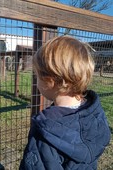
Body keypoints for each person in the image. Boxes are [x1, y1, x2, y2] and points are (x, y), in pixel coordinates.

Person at [19, 36, 111, 170]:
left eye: (36, 75)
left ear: (49, 81)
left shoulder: (45, 131)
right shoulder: (95, 113)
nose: (35, 80)